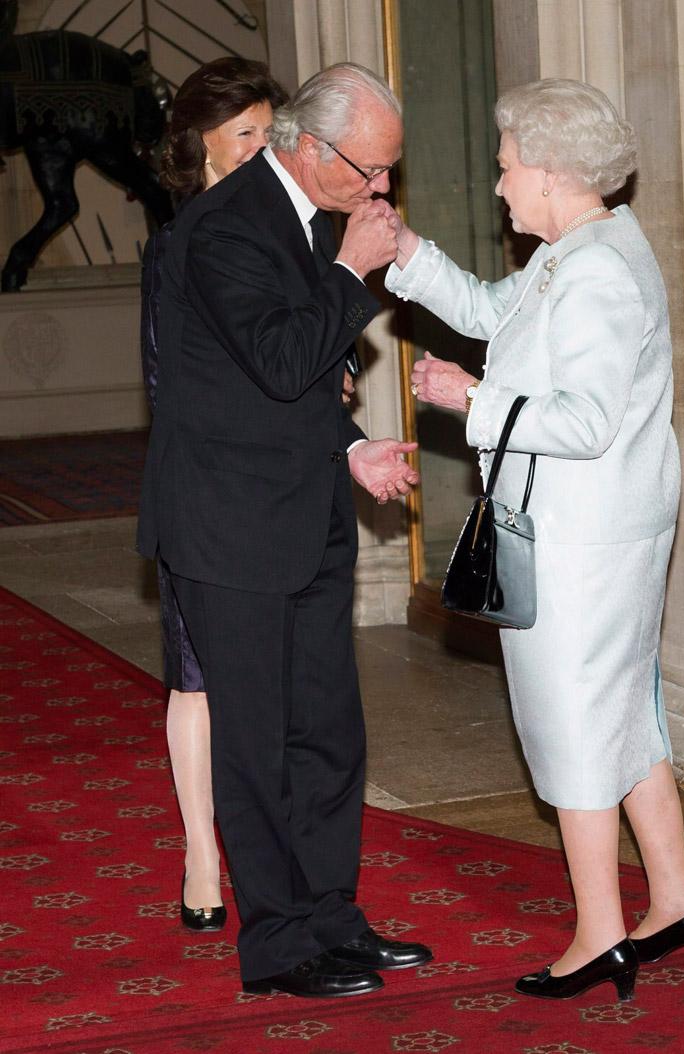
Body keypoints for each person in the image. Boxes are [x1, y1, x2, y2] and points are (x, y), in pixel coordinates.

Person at [385, 78, 684, 1002]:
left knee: (571, 726)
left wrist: (473, 400)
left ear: (553, 172)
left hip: (584, 541)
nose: (498, 186)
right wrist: (406, 254)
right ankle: (675, 899)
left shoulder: (597, 269)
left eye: (506, 168)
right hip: (595, 529)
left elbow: (586, 421)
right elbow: (494, 312)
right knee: (625, 716)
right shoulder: (578, 251)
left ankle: (601, 933)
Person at [137, 62, 431, 998]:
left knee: (328, 736)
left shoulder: (306, 217)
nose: (379, 186)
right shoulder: (223, 226)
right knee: (257, 747)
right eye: (368, 167)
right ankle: (277, 945)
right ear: (308, 146)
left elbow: (291, 388)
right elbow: (279, 360)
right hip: (229, 527)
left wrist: (350, 447)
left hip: (302, 509)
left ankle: (331, 919)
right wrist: (351, 270)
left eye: (388, 169)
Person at [141, 57, 288, 932]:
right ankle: (203, 855)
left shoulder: (289, 232)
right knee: (195, 678)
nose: (263, 148)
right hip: (204, 491)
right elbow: (168, 379)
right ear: (200, 144)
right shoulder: (178, 243)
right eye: (245, 134)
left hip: (283, 491)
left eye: (272, 132)